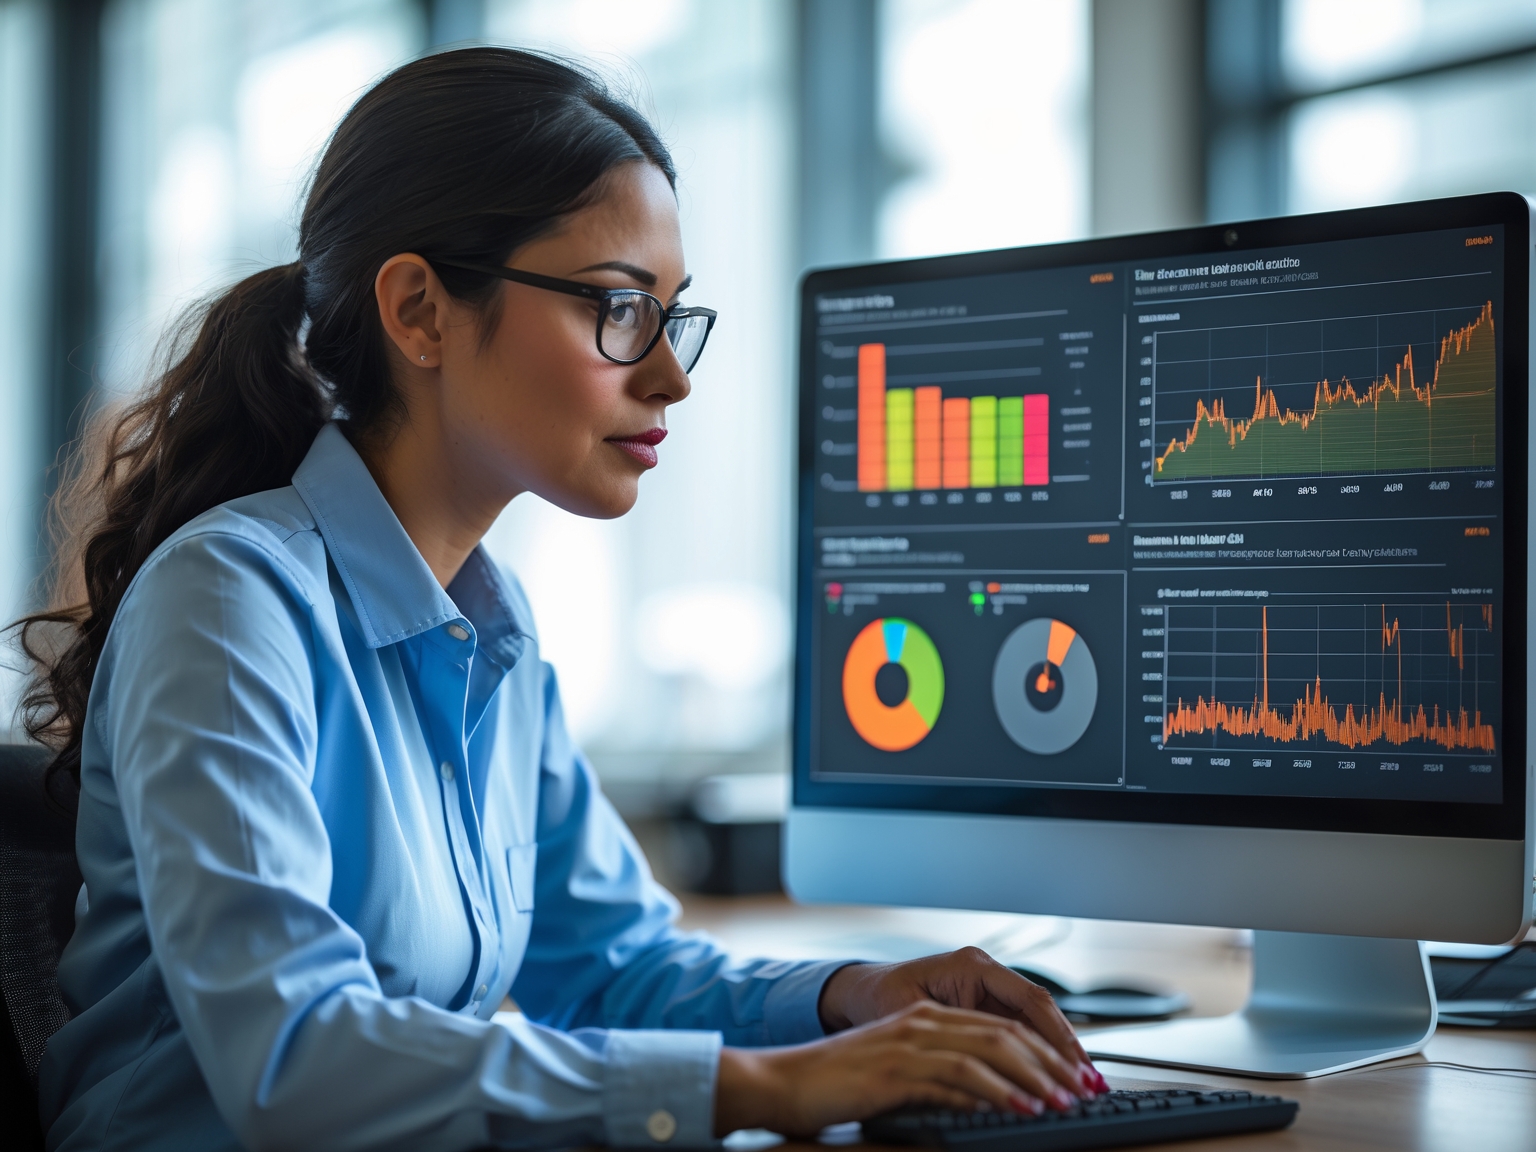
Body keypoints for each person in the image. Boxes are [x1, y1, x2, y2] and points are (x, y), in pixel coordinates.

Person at [20, 48, 1106, 1152]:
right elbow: (296, 1056)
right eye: (620, 308)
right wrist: (770, 1091)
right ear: (420, 312)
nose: (672, 377)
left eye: (673, 317)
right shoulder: (231, 601)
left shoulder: (494, 632)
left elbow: (614, 967)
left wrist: (852, 1002)